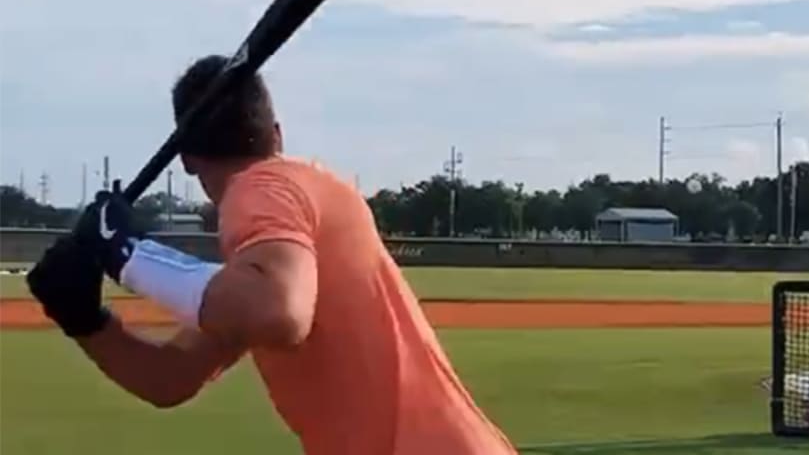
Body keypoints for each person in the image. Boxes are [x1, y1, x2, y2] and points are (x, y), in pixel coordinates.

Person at [27, 54, 518, 455]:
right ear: (276, 134)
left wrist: (128, 253)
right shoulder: (283, 224)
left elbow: (277, 313)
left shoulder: (263, 188)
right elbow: (171, 378)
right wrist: (86, 320)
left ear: (187, 158)